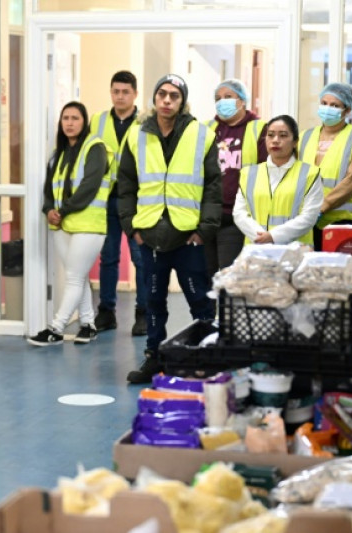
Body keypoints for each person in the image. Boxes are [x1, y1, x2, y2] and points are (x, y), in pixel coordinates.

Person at [118, 74, 222, 384]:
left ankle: (205, 356)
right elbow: (125, 186)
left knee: (200, 302)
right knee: (152, 302)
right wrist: (130, 227)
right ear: (154, 97)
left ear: (182, 101)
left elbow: (213, 187)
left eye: (173, 96)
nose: (166, 100)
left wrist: (204, 230)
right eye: (162, 94)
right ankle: (154, 358)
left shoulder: (202, 135)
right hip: (149, 235)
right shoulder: (136, 136)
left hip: (187, 236)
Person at [28, 102, 109, 347]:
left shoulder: (95, 148)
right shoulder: (58, 154)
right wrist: (48, 209)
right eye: (65, 118)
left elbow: (90, 186)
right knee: (79, 276)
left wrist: (61, 210)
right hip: (62, 225)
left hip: (88, 224)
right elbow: (48, 189)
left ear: (84, 122)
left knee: (73, 277)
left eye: (75, 118)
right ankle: (88, 324)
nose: (70, 123)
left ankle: (56, 327)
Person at [90, 71, 148, 337]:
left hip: (137, 201)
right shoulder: (98, 121)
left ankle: (144, 313)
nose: (120, 96)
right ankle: (106, 312)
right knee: (108, 258)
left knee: (141, 258)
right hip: (106, 199)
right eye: (116, 91)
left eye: (125, 91)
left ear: (135, 94)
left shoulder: (147, 122)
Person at [298, 82, 352, 251]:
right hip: (308, 222)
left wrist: (321, 208)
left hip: (344, 223)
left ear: (347, 110)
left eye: (335, 105)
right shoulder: (305, 136)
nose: (327, 108)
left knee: (340, 274)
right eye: (324, 103)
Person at [206, 79, 268, 268]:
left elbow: (265, 170)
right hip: (208, 214)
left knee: (229, 273)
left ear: (242, 100)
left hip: (238, 215)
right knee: (206, 276)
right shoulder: (207, 128)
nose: (221, 101)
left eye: (228, 97)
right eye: (218, 98)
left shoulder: (259, 128)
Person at [233, 114, 322, 245]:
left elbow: (309, 216)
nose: (275, 140)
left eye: (283, 135)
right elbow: (239, 213)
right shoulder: (249, 173)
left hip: (295, 251)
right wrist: (261, 237)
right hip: (257, 250)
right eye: (270, 135)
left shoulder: (310, 173)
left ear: (295, 142)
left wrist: (273, 236)